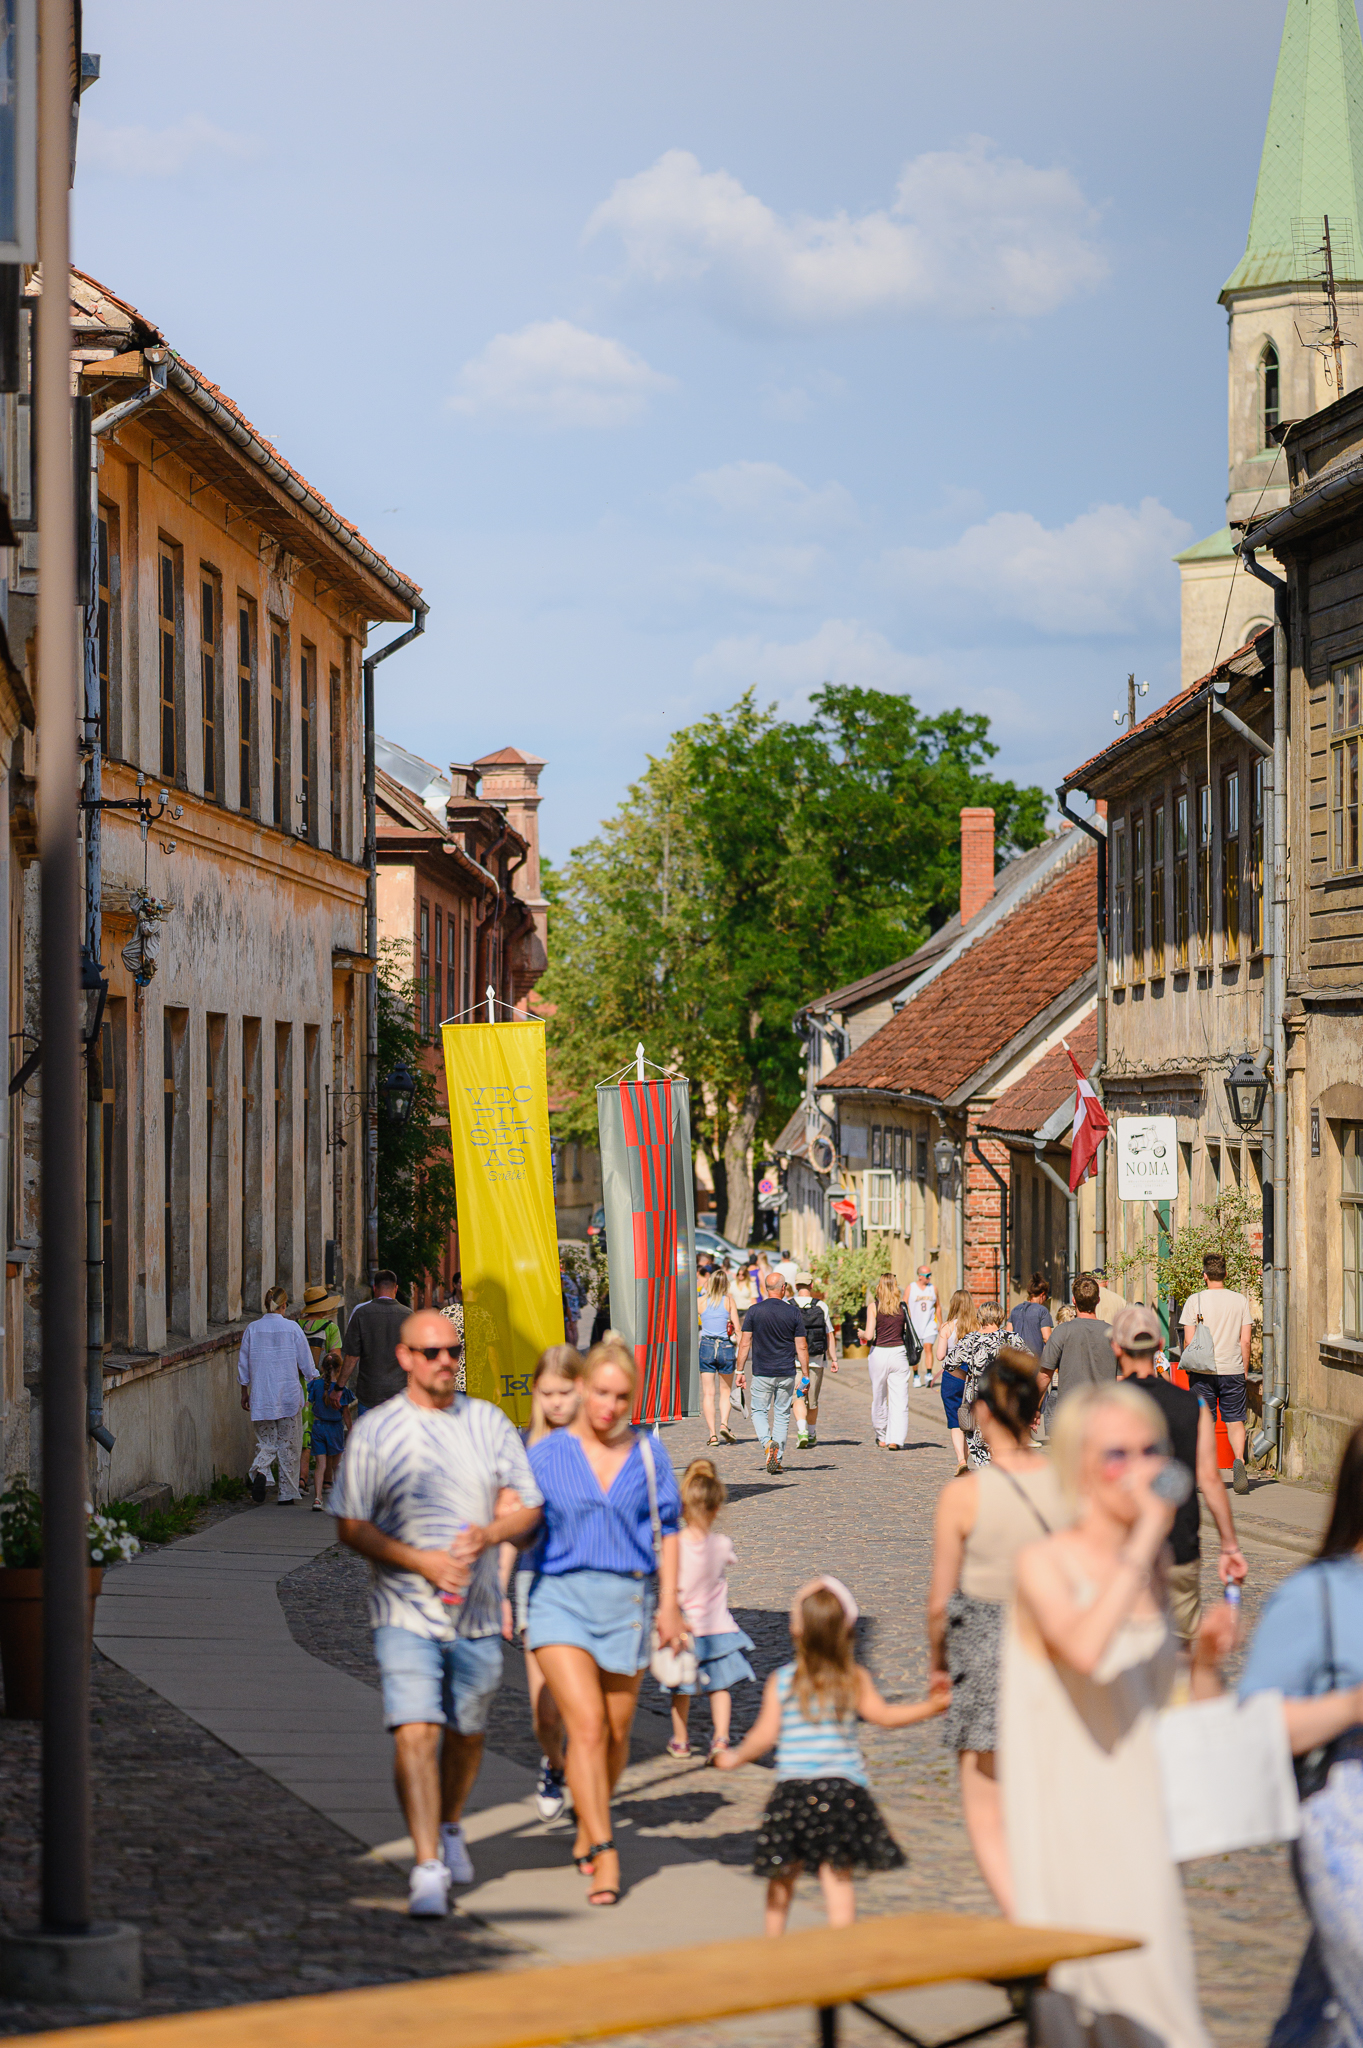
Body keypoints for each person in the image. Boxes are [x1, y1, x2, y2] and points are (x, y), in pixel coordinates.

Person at [1002, 1383, 1235, 2048]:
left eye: (1150, 1451)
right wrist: (1148, 1536)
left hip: (1143, 1820)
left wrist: (1205, 1663)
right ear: (1077, 1466)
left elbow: (1169, 1708)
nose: (1138, 1469)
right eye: (1116, 1455)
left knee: (1163, 2012)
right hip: (1074, 1826)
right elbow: (1086, 1651)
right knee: (1097, 2015)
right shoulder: (1043, 1562)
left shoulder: (1151, 1564)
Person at [331, 1310, 543, 1917]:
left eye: (453, 1350)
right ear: (405, 1358)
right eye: (432, 1352)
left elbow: (530, 1508)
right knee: (416, 1729)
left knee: (466, 1733)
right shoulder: (376, 1431)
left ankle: (450, 1824)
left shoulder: (488, 1422)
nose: (446, 1361)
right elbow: (350, 1524)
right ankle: (427, 1865)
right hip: (403, 1611)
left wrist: (490, 1533)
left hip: (476, 1614)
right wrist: (418, 1560)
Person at [526, 1340, 686, 1908]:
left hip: (627, 1602)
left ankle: (589, 1818)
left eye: (621, 1397)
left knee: (616, 1737)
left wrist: (670, 1605)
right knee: (588, 1727)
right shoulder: (546, 1454)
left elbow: (670, 1530)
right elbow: (516, 1520)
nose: (609, 1406)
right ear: (582, 1388)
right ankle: (605, 1847)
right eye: (600, 1393)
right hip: (559, 1599)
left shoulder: (647, 1453)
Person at [714, 1577, 949, 1932]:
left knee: (782, 1874)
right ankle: (843, 1949)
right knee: (838, 1878)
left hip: (793, 1791)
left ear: (795, 1630)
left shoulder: (784, 1680)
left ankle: (773, 1944)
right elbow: (885, 1716)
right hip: (842, 1791)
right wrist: (931, 1707)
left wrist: (735, 1757)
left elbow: (764, 1736)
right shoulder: (853, 1678)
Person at [926, 1348, 1066, 1911]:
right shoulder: (1066, 1482)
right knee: (1046, 1784)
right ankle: (1051, 1894)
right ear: (1035, 1413)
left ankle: (1022, 1912)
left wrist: (938, 1665)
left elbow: (939, 1603)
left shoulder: (964, 1494)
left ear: (982, 1411)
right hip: (1051, 1642)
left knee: (984, 1795)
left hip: (984, 1645)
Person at [1239, 1423, 1363, 2047]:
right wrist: (1353, 1705)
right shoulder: (1318, 1596)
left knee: (1321, 2011)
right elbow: (1255, 1728)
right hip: (1345, 1824)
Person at [1110, 1303, 1246, 1646]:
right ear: (1159, 1347)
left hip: (1118, 1551)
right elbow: (1209, 1479)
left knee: (1123, 1651)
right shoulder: (1193, 1405)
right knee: (1181, 1651)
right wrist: (1229, 1545)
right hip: (1178, 1546)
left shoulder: (1104, 1406)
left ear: (1116, 1347)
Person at [500, 1345, 583, 1824]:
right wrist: (498, 1588)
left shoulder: (598, 1443)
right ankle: (555, 1764)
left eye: (565, 1392)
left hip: (588, 1581)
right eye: (547, 1393)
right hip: (536, 1580)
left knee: (584, 1704)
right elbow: (512, 1524)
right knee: (544, 1712)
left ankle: (588, 1789)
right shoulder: (523, 1446)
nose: (555, 1402)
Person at [662, 1458, 755, 1759]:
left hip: (686, 1628)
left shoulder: (675, 1544)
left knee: (681, 1688)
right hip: (718, 1627)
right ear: (717, 1508)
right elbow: (729, 1559)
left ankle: (681, 1740)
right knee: (720, 1687)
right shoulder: (722, 1544)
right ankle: (721, 1739)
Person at [1179, 1251, 1254, 1495]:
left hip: (1203, 1371)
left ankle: (1205, 1471)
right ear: (1225, 1274)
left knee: (1204, 1422)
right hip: (1232, 1369)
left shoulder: (1195, 1300)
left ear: (1205, 1275)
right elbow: (1245, 1341)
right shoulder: (1240, 1301)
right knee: (1235, 1420)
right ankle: (1239, 1460)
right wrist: (1243, 1369)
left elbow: (1188, 1341)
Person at [238, 1287, 315, 1504]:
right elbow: (306, 1362)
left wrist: (244, 1391)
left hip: (262, 1395)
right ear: (284, 1305)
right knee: (288, 1444)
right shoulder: (292, 1328)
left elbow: (243, 1364)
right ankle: (287, 1493)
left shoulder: (252, 1329)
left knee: (267, 1440)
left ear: (266, 1304)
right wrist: (312, 1379)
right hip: (288, 1394)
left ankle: (261, 1470)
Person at [736, 1271, 809, 1476]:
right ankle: (777, 1458)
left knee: (759, 1411)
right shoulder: (793, 1312)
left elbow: (744, 1343)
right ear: (783, 1288)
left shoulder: (754, 1311)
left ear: (765, 1289)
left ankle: (768, 1444)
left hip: (762, 1371)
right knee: (782, 1413)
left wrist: (739, 1370)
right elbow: (802, 1346)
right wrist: (805, 1374)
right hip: (786, 1371)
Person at [1038, 1273, 1114, 1411]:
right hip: (1104, 1412)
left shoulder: (1062, 1332)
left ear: (1074, 1300)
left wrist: (1034, 1409)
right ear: (1098, 1300)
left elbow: (1044, 1376)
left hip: (1070, 1413)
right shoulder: (1113, 1334)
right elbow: (1122, 1379)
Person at [860, 1275, 916, 1452]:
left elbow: (869, 1335)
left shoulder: (874, 1307)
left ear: (879, 1287)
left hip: (880, 1353)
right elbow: (907, 1330)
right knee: (900, 1399)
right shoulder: (902, 1307)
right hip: (899, 1352)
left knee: (879, 1396)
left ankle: (882, 1436)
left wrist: (861, 1334)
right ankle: (896, 1439)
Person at [298, 1284, 344, 1496]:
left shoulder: (296, 1326)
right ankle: (326, 1480)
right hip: (322, 1387)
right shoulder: (330, 1328)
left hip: (298, 1385)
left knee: (303, 1430)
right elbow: (336, 1359)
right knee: (326, 1429)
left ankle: (301, 1478)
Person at [341, 1270, 408, 1411]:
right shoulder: (409, 1316)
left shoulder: (361, 1313)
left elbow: (351, 1357)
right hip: (400, 1393)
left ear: (374, 1287)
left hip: (369, 1392)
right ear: (396, 1288)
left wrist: (339, 1387)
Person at [953, 1301, 1006, 1470]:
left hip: (976, 1396)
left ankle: (987, 1472)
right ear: (1001, 1317)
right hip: (1001, 1394)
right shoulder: (1010, 1338)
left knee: (978, 1441)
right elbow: (1030, 1364)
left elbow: (948, 1365)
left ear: (980, 1318)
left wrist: (967, 1376)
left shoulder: (970, 1339)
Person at [306, 1349, 356, 1510]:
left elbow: (310, 1404)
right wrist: (351, 1429)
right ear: (340, 1369)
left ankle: (317, 1498)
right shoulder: (342, 1391)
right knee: (336, 1465)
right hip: (335, 1428)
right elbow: (346, 1413)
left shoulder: (316, 1385)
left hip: (318, 1427)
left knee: (320, 1465)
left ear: (322, 1368)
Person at [698, 1268, 742, 1448]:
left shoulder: (701, 1301)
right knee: (725, 1391)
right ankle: (724, 1424)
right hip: (725, 1346)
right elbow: (737, 1329)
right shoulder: (729, 1301)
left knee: (708, 1393)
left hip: (707, 1346)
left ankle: (713, 1435)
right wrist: (740, 1354)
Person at [936, 1289, 979, 1473]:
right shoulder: (978, 1326)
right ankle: (967, 1458)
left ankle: (961, 1460)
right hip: (973, 1377)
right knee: (970, 1420)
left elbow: (940, 1356)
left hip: (952, 1377)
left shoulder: (946, 1327)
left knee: (955, 1420)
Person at [793, 1274, 837, 1449]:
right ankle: (811, 1433)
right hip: (816, 1360)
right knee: (812, 1401)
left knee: (798, 1397)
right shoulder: (821, 1306)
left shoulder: (788, 1305)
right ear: (811, 1285)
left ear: (796, 1285)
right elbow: (829, 1334)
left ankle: (802, 1431)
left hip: (794, 1360)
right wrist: (834, 1358)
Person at [1007, 1273, 1053, 1359]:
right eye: (1046, 1297)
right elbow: (1047, 1338)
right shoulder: (1042, 1311)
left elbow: (1008, 1334)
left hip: (1015, 1360)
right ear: (1042, 1295)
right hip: (1034, 1361)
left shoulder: (1015, 1310)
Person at [907, 1266, 939, 1389]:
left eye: (930, 1274)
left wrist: (940, 1323)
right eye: (927, 1275)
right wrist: (906, 1323)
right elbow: (904, 1305)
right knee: (916, 1352)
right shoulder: (911, 1288)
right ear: (920, 1276)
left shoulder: (933, 1289)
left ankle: (929, 1374)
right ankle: (916, 1375)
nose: (929, 1277)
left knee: (928, 1347)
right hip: (915, 1325)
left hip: (929, 1324)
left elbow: (938, 1306)